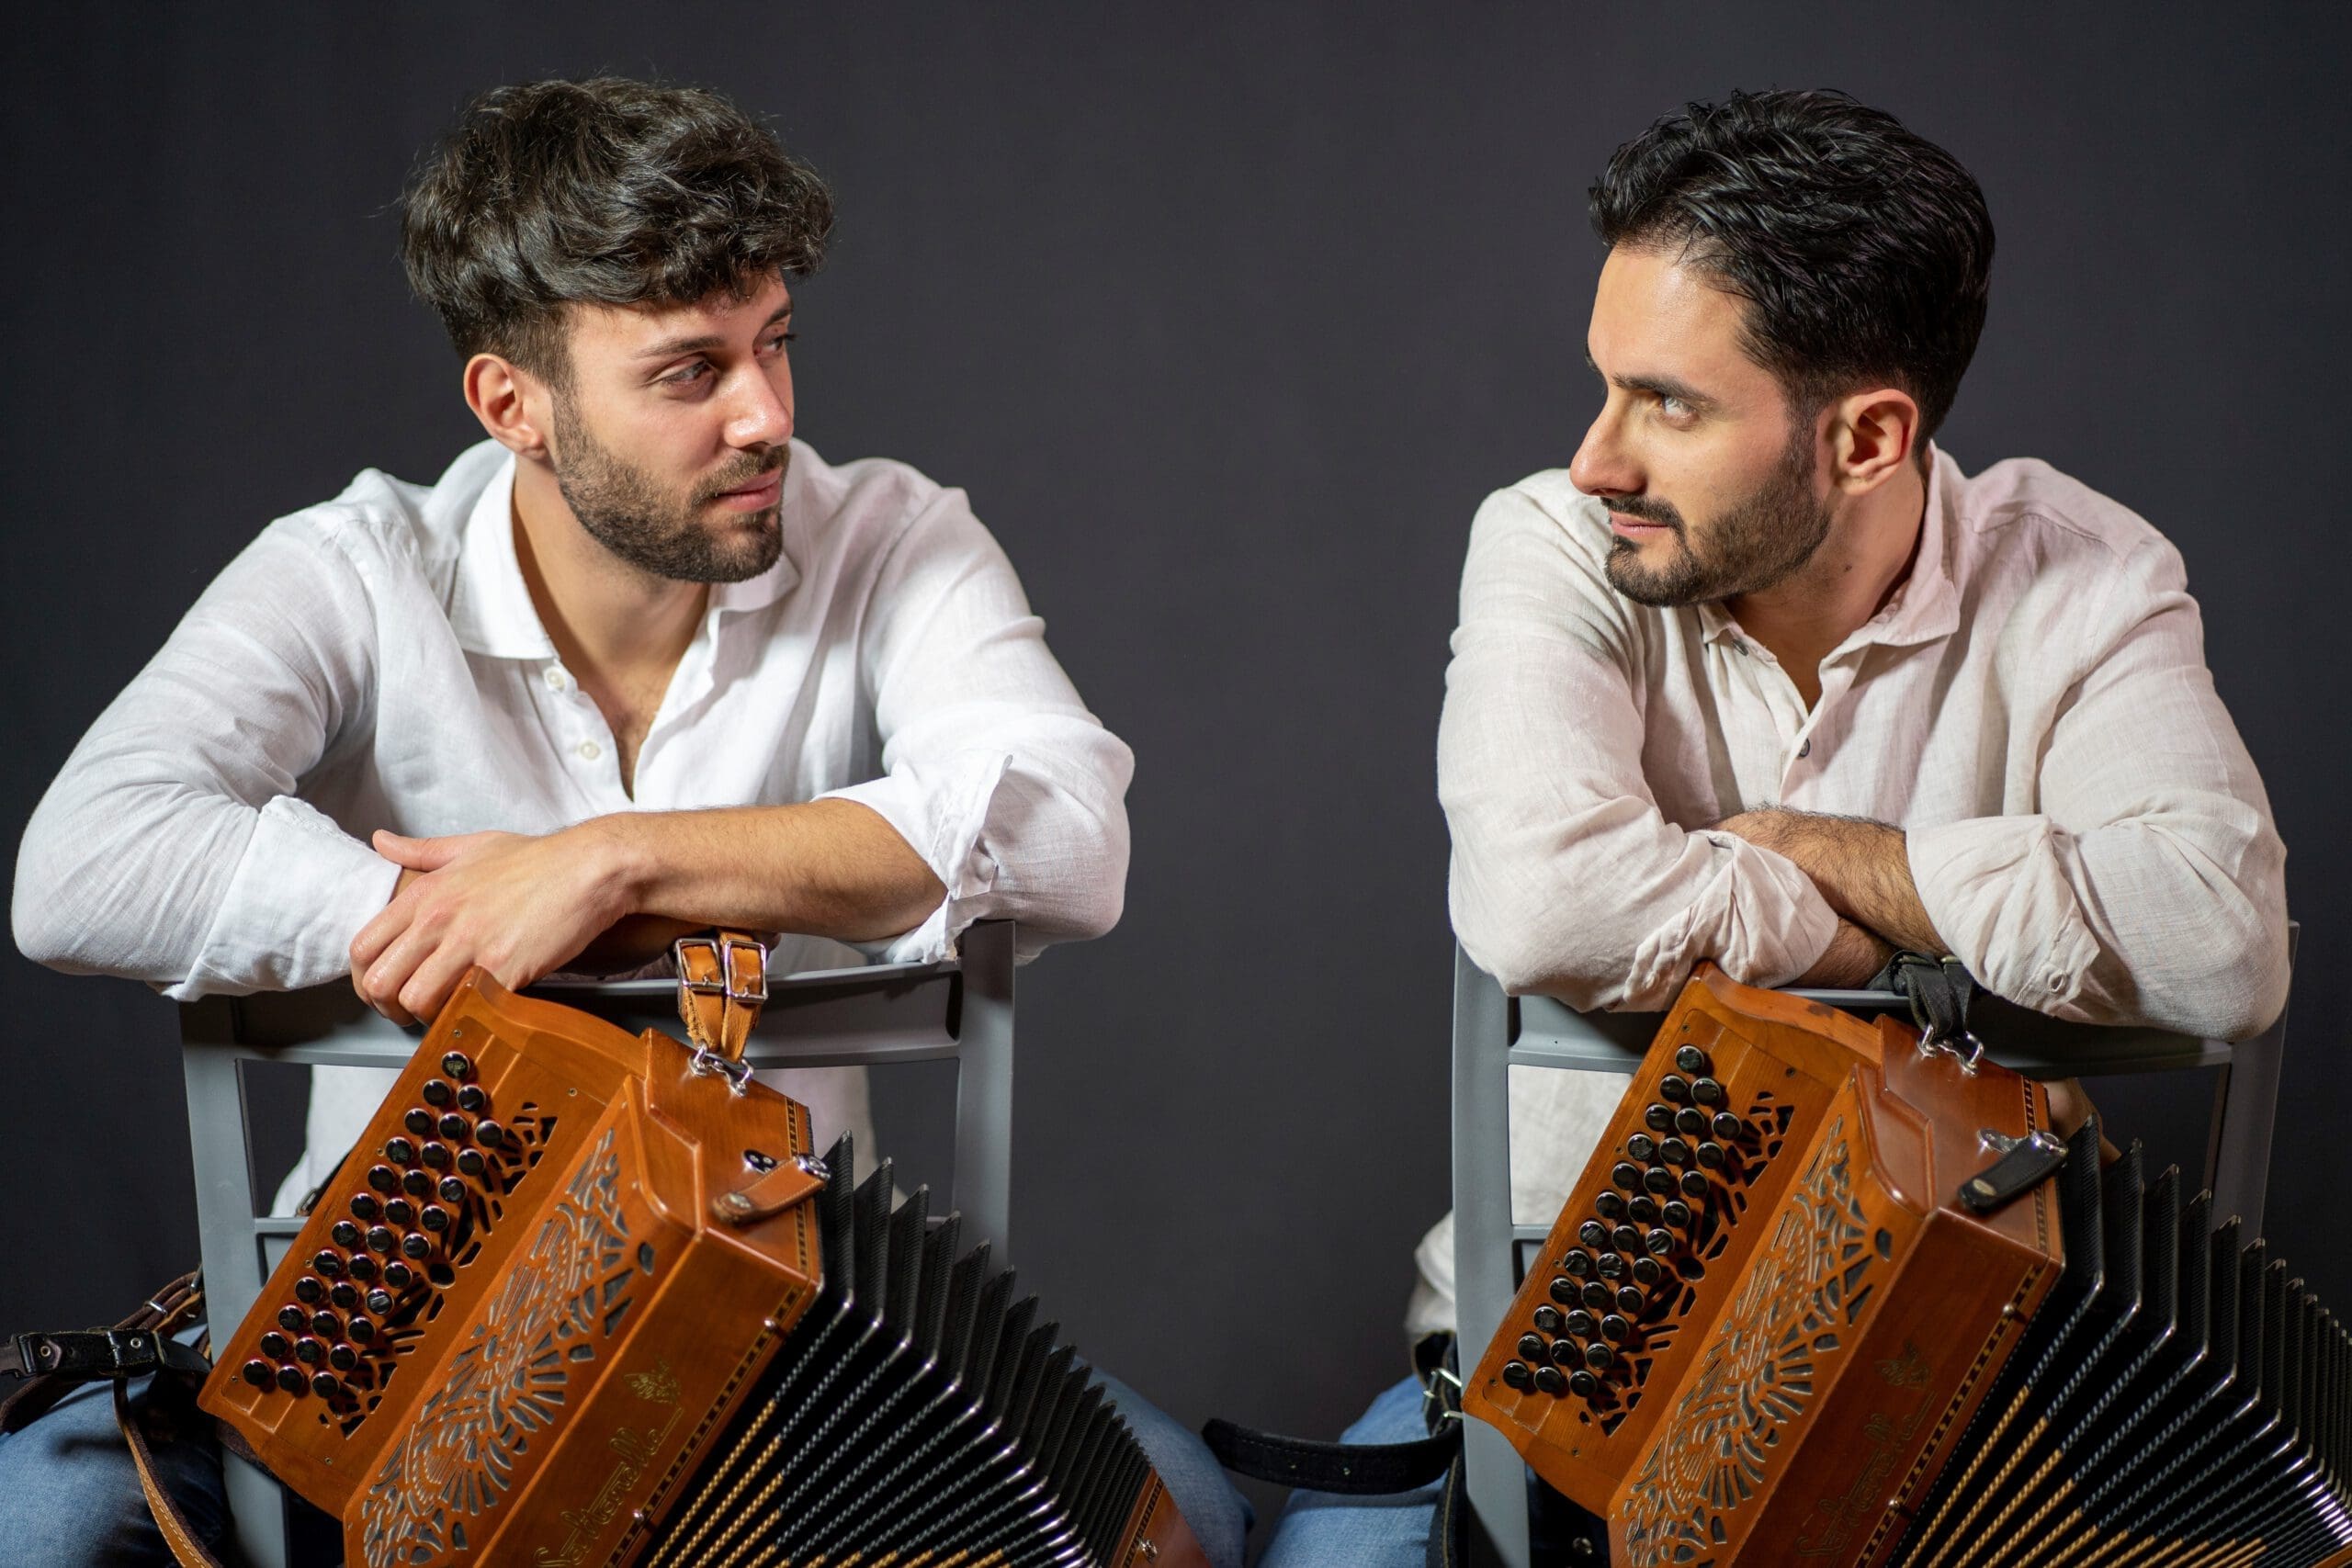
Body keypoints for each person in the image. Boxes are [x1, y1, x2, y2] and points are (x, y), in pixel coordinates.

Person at [4, 76, 1246, 1567]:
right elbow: (82, 861)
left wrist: (608, 868)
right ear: (510, 404)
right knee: (44, 1517)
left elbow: (1063, 832)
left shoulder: (895, 538)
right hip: (395, 1353)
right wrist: (444, 927)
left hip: (787, 1350)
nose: (767, 416)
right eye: (687, 372)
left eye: (775, 343)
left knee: (1187, 1522)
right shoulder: (351, 567)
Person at [1260, 87, 2290, 1564]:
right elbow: (1546, 910)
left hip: (1966, 1361)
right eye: (1608, 386)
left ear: (1867, 437)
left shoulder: (2087, 576)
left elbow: (2222, 946)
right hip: (1548, 1348)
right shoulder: (1555, 538)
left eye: (1668, 403)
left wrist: (1833, 848)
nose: (1599, 456)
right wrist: (1905, 931)